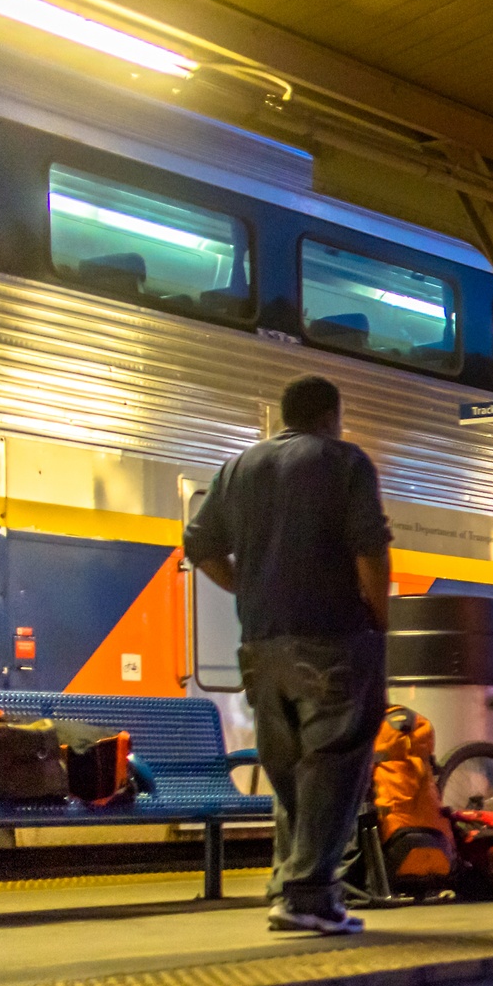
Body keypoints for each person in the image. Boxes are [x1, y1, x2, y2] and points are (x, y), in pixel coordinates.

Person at [183, 374, 391, 934]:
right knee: (337, 760)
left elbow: (198, 544)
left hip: (260, 643)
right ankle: (308, 896)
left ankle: (290, 885)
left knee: (293, 769)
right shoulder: (346, 462)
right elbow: (369, 546)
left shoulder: (239, 468)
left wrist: (246, 586)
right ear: (331, 415)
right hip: (331, 636)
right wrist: (378, 619)